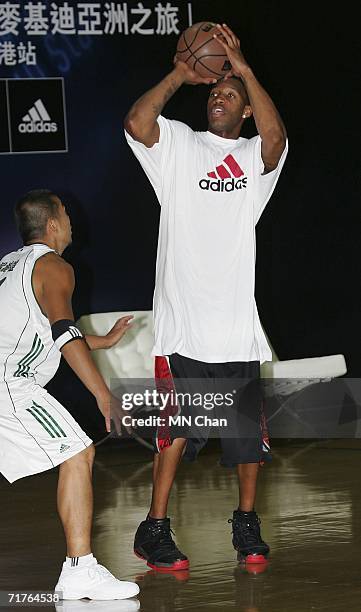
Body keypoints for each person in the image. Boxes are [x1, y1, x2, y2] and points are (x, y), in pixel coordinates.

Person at [124, 23, 287, 570]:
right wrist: (179, 73)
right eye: (215, 91)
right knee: (173, 434)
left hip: (235, 329)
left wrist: (245, 71)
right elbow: (136, 122)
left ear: (243, 110)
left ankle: (246, 525)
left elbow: (276, 141)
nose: (220, 96)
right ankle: (154, 528)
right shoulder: (176, 145)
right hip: (184, 329)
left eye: (231, 94)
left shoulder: (251, 161)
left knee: (247, 443)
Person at [0, 189, 139, 601]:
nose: (72, 220)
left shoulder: (9, 265)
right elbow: (63, 332)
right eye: (66, 213)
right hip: (10, 382)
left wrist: (103, 340)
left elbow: (46, 333)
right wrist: (102, 394)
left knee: (74, 454)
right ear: (53, 224)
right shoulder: (54, 266)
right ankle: (80, 568)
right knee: (77, 453)